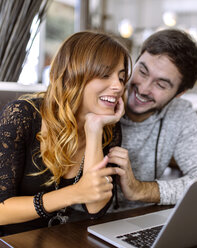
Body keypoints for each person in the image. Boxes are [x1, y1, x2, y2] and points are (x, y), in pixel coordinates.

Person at [0, 31, 131, 236]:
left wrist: (94, 130)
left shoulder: (108, 127)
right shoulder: (22, 116)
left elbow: (95, 207)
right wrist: (73, 194)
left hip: (55, 240)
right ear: (73, 74)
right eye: (106, 74)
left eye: (121, 78)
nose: (118, 86)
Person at [108, 28, 197, 210]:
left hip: (138, 221)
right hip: (74, 227)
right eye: (143, 71)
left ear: (180, 93)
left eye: (161, 84)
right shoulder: (102, 94)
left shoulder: (179, 113)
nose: (144, 88)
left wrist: (139, 190)